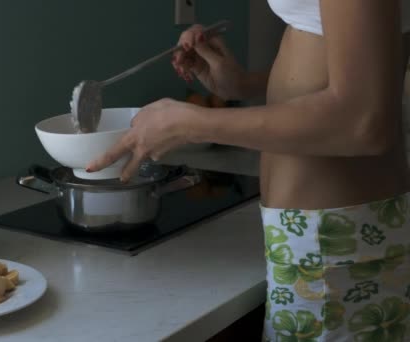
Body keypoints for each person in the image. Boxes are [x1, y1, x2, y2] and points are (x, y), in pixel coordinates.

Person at [87, 1, 410, 341]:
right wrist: (245, 85)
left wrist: (192, 124)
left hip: (335, 241)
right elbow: (360, 66)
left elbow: (363, 121)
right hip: (316, 236)